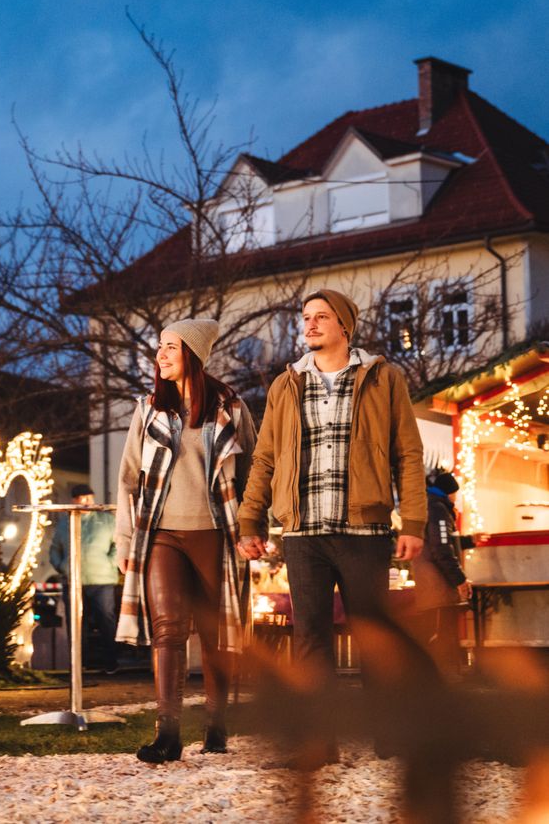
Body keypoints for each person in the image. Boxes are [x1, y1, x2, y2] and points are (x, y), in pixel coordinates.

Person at [236, 289, 427, 767]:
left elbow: (408, 452)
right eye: (306, 317)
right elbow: (265, 459)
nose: (311, 324)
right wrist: (249, 520)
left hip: (364, 529)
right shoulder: (286, 384)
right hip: (303, 533)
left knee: (373, 636)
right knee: (310, 639)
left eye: (322, 317)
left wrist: (415, 521)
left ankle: (391, 737)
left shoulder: (383, 378)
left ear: (345, 325)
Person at [115, 318, 257, 763]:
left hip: (218, 533)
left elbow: (254, 473)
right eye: (159, 346)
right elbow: (127, 480)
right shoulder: (148, 409)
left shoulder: (231, 408)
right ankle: (168, 734)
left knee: (216, 634)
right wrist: (124, 541)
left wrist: (254, 530)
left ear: (192, 354)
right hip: (161, 535)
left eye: (170, 346)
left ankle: (216, 725)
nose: (160, 354)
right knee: (168, 630)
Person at [49, 484, 119, 673]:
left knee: (106, 620)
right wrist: (63, 566)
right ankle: (80, 664)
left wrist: (110, 562)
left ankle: (111, 662)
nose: (88, 502)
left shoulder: (106, 520)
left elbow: (117, 544)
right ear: (74, 500)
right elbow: (55, 548)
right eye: (83, 498)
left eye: (90, 497)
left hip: (102, 579)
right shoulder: (65, 522)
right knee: (77, 623)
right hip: (73, 579)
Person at [410, 470, 472, 678]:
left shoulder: (432, 506)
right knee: (441, 632)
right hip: (437, 583)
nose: (456, 497)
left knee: (435, 631)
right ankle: (440, 678)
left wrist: (470, 541)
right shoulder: (437, 509)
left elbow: (442, 542)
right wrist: (459, 580)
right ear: (449, 492)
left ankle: (433, 676)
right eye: (455, 493)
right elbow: (442, 548)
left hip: (432, 581)